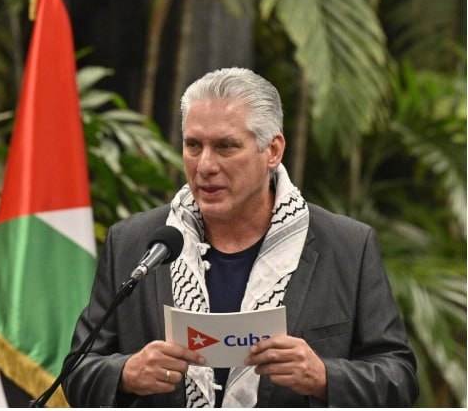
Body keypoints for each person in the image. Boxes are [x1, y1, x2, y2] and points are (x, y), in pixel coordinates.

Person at [62, 67, 418, 407]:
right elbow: (76, 371)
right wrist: (126, 374)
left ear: (273, 151)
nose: (205, 166)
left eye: (226, 147)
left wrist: (324, 376)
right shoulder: (136, 242)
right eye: (193, 145)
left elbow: (399, 378)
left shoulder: (347, 246)